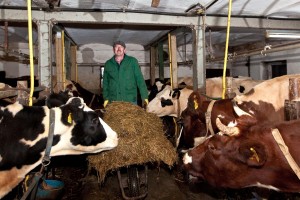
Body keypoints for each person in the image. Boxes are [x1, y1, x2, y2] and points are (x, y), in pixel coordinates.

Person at [102, 41, 148, 108]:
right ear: (113, 50)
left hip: (130, 99)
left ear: (124, 49)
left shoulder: (132, 61)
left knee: (131, 118)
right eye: (116, 47)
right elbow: (105, 83)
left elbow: (139, 79)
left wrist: (144, 96)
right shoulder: (108, 64)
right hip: (114, 100)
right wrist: (106, 98)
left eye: (121, 47)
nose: (119, 49)